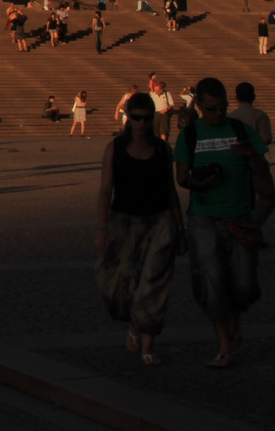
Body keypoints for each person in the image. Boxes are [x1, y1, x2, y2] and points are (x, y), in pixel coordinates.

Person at [173, 77, 275, 369]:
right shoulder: (190, 135)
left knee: (244, 285)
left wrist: (250, 155)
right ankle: (223, 346)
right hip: (204, 217)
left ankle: (234, 317)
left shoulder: (241, 130)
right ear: (200, 107)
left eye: (223, 108)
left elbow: (262, 169)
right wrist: (199, 180)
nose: (219, 114)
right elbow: (181, 178)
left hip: (240, 216)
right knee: (212, 280)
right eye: (212, 109)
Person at [95, 92, 185, 366]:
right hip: (123, 221)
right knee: (116, 286)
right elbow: (105, 189)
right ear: (128, 118)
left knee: (154, 284)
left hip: (159, 222)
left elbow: (170, 190)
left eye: (147, 119)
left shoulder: (161, 149)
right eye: (136, 118)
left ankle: (147, 345)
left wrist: (180, 228)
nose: (142, 124)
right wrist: (102, 228)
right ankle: (134, 323)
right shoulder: (115, 148)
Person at [229, 83, 272, 149]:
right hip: (255, 154)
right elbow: (266, 139)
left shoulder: (230, 116)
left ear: (236, 98)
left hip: (236, 155)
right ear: (254, 97)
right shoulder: (260, 115)